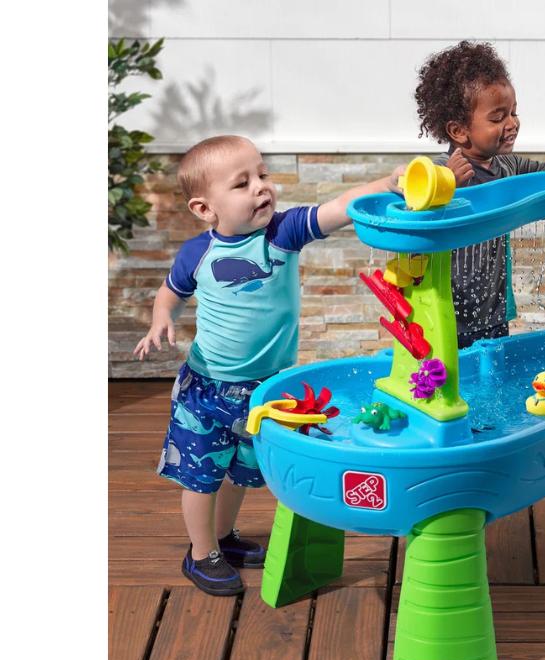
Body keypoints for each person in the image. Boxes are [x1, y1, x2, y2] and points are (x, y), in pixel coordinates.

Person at [134, 135, 402, 595]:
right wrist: (162, 320)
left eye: (263, 175)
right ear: (205, 209)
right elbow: (171, 292)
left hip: (265, 390)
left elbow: (338, 207)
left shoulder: (282, 233)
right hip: (206, 389)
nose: (261, 188)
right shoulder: (197, 254)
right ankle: (200, 555)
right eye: (242, 183)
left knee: (240, 470)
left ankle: (222, 537)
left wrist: (389, 182)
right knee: (200, 476)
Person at [413, 40, 545, 348]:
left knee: (489, 385)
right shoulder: (439, 172)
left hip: (493, 313)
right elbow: (413, 220)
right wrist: (448, 188)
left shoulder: (509, 165)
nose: (512, 124)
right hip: (444, 312)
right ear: (459, 130)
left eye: (513, 112)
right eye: (498, 118)